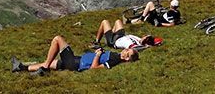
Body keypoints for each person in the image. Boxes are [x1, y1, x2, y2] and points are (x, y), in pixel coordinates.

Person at [10, 35, 138, 75]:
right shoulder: (115, 55)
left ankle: (43, 69)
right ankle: (20, 67)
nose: (125, 52)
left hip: (76, 63)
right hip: (77, 60)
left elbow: (94, 68)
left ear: (127, 60)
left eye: (128, 54)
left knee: (57, 39)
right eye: (127, 51)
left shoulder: (114, 60)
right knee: (51, 63)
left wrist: (98, 55)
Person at [91, 19, 158, 50]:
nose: (145, 36)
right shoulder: (139, 39)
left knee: (104, 22)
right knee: (118, 21)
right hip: (121, 35)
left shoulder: (134, 44)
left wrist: (146, 47)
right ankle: (110, 34)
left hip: (113, 41)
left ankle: (97, 41)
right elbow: (157, 41)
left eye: (146, 38)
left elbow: (134, 48)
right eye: (146, 36)